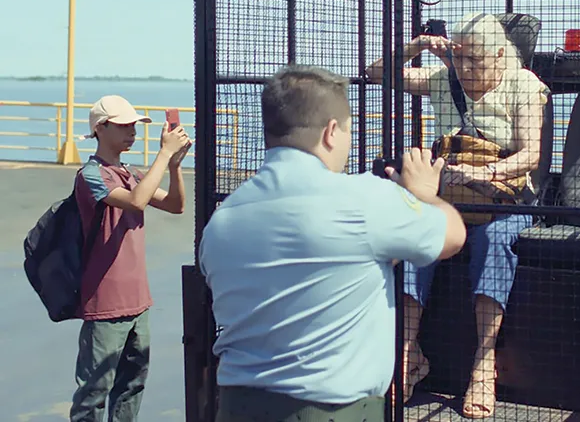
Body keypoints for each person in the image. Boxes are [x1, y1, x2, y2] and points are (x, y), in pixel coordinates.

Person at [198, 65, 467, 422]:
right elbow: (453, 236)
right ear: (330, 132)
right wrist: (422, 194)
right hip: (332, 411)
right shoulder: (364, 200)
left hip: (236, 407)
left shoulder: (222, 221)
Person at [366, 12, 550, 419]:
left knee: (495, 241)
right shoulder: (442, 79)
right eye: (460, 58)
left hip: (503, 201)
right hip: (451, 198)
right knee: (415, 237)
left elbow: (531, 155)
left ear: (499, 55)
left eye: (475, 60)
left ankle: (484, 363)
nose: (465, 69)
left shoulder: (523, 85)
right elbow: (376, 73)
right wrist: (416, 47)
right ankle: (408, 352)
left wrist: (486, 173)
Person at [70, 95, 192, 422]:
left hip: (138, 302)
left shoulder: (131, 173)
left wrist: (174, 166)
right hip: (106, 304)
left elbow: (176, 205)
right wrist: (163, 153)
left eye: (134, 125)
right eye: (124, 125)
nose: (132, 132)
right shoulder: (91, 175)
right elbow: (137, 201)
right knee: (94, 392)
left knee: (132, 386)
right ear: (101, 128)